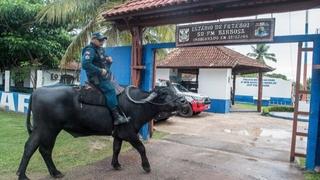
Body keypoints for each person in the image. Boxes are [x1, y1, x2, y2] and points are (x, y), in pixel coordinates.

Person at [81, 32, 129, 125]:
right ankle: (116, 117)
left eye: (103, 40)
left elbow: (102, 62)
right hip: (96, 78)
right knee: (110, 90)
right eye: (100, 40)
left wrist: (108, 60)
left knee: (118, 87)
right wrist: (100, 71)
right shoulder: (89, 50)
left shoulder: (100, 49)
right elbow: (85, 64)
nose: (102, 42)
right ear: (93, 39)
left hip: (104, 76)